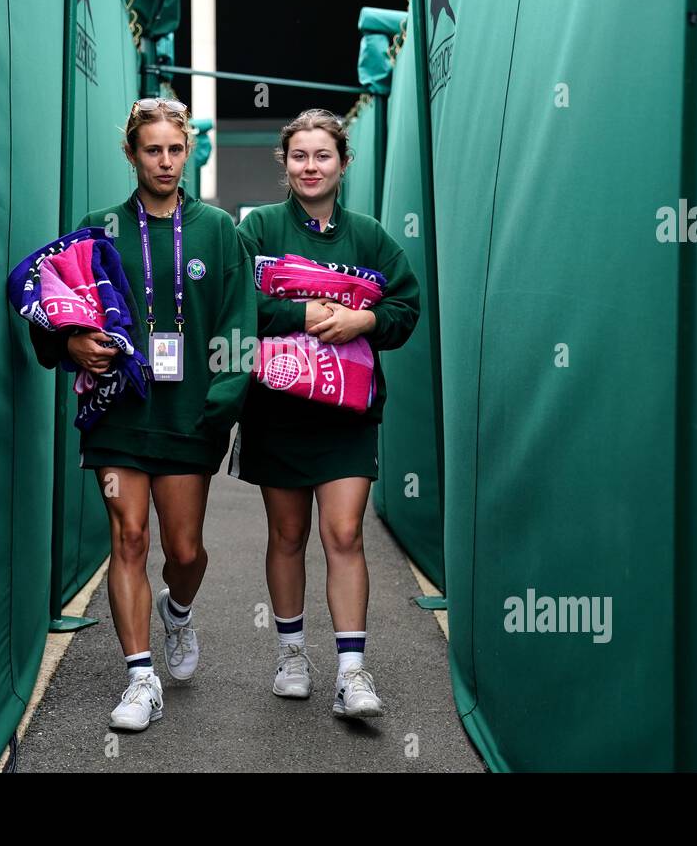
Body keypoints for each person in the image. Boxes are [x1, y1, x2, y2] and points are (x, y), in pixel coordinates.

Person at [29, 97, 255, 731]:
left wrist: (225, 401)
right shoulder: (98, 225)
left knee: (185, 551)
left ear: (189, 152)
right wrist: (68, 344)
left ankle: (177, 613)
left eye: (174, 149)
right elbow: (58, 301)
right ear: (130, 154)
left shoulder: (218, 231)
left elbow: (241, 321)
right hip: (119, 412)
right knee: (128, 537)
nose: (163, 161)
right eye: (150, 149)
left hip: (190, 416)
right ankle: (139, 678)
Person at [231, 109, 420, 718]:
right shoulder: (257, 228)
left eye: (322, 156)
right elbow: (235, 304)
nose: (310, 167)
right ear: (284, 165)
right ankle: (291, 654)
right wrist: (304, 315)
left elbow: (405, 309)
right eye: (299, 157)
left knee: (344, 533)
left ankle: (352, 673)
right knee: (288, 535)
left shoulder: (370, 237)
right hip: (278, 409)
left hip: (347, 415)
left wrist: (367, 318)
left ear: (343, 162)